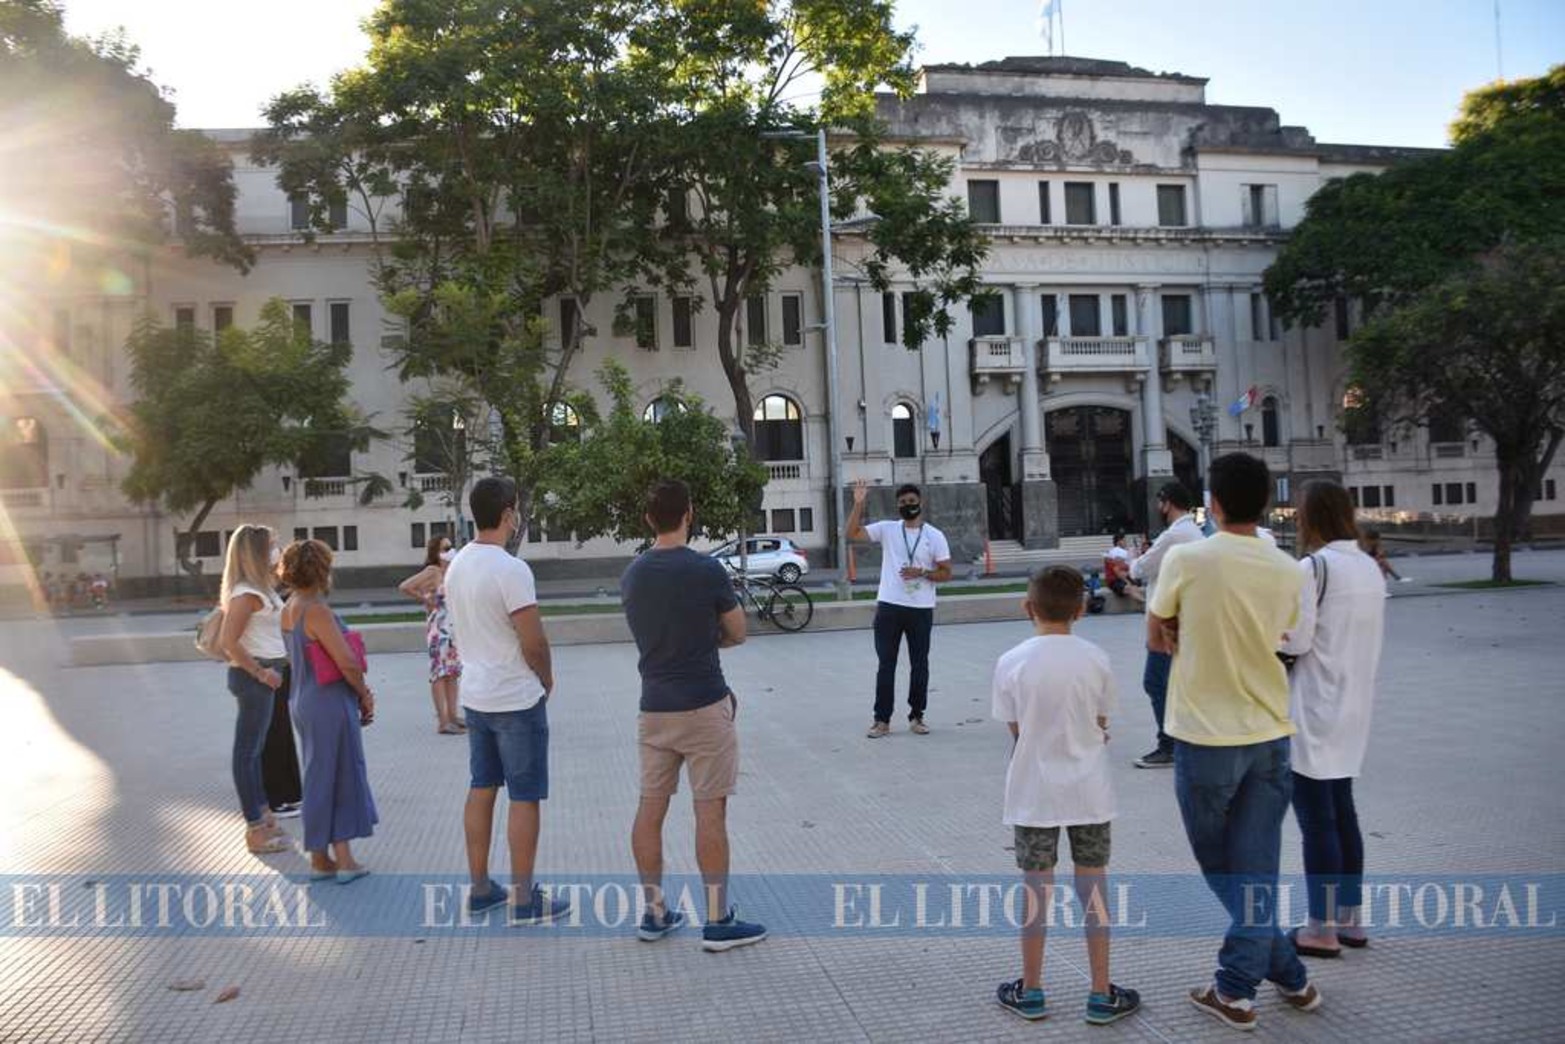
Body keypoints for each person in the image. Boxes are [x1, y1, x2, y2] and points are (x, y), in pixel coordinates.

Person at [1147, 453, 1322, 1030]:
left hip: (1205, 734)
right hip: (1271, 732)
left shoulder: (1189, 558)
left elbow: (1157, 629)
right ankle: (1289, 978)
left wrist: (1181, 631)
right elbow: (1285, 637)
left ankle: (1237, 988)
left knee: (1224, 868)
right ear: (1266, 503)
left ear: (1214, 503)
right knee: (1257, 871)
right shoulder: (1290, 568)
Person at [621, 479, 767, 952]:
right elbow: (738, 632)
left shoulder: (634, 574)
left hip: (654, 709)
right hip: (704, 705)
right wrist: (709, 641)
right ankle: (718, 919)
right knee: (710, 811)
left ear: (648, 519)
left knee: (650, 806)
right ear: (690, 513)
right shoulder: (708, 570)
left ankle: (654, 912)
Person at [991, 566, 1141, 1026]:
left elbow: (1018, 730)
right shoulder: (1095, 658)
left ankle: (1031, 988)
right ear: (1081, 609)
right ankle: (1100, 992)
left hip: (1034, 792)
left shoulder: (1011, 660)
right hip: (1089, 791)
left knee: (1036, 887)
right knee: (1093, 886)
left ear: (1027, 607)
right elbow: (1100, 721)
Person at [442, 477, 570, 923]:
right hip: (515, 695)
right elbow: (533, 639)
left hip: (475, 695)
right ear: (509, 513)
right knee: (524, 795)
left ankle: (480, 888)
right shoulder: (510, 568)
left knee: (481, 787)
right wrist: (547, 678)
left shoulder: (457, 564)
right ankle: (522, 897)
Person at [1280, 482, 1385, 958]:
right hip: (1355, 704)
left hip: (1315, 705)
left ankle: (1319, 928)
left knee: (1317, 820)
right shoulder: (1368, 566)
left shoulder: (1314, 567)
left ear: (1310, 517)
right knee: (1344, 812)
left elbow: (1296, 642)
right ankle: (1351, 919)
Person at [278, 539, 378, 882]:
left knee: (319, 776)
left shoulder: (289, 606)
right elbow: (347, 663)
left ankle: (321, 858)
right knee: (342, 774)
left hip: (302, 699)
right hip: (329, 700)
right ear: (323, 569)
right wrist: (364, 694)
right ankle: (345, 860)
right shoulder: (316, 610)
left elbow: (296, 660)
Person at [846, 480, 953, 738]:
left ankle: (917, 716)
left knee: (919, 664)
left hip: (920, 609)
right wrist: (858, 503)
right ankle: (881, 720)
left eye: (912, 502)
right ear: (898, 506)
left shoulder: (934, 536)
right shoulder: (888, 529)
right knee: (886, 664)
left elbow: (946, 573)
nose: (908, 506)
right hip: (889, 607)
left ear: (921, 503)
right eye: (903, 503)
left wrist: (923, 572)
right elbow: (852, 534)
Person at [219, 524, 297, 854]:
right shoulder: (245, 594)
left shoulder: (260, 588)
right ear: (256, 553)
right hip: (254, 680)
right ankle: (254, 827)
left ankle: (264, 815)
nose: (278, 550)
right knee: (247, 754)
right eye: (273, 545)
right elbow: (228, 641)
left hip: (266, 675)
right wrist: (261, 673)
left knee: (256, 751)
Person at [1127, 482, 1201, 769]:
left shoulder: (1175, 534)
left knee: (1155, 681)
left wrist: (1134, 559)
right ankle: (1181, 739)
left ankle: (1168, 744)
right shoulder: (1194, 531)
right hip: (1184, 616)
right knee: (1172, 683)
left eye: (1160, 503)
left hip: (1165, 621)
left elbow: (1140, 569)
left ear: (1166, 503)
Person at [400, 535, 466, 735]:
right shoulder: (433, 571)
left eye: (450, 547)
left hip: (452, 628)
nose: (449, 551)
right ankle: (443, 721)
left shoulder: (450, 572)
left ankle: (453, 716)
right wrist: (425, 599)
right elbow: (405, 586)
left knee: (452, 672)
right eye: (445, 548)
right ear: (436, 552)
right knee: (439, 672)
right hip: (439, 629)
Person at [1102, 532, 1133, 597]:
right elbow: (1118, 571)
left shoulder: (1119, 552)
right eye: (1124, 540)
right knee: (1131, 588)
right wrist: (1127, 581)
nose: (1125, 543)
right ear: (1119, 541)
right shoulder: (1116, 553)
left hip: (1121, 579)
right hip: (1117, 580)